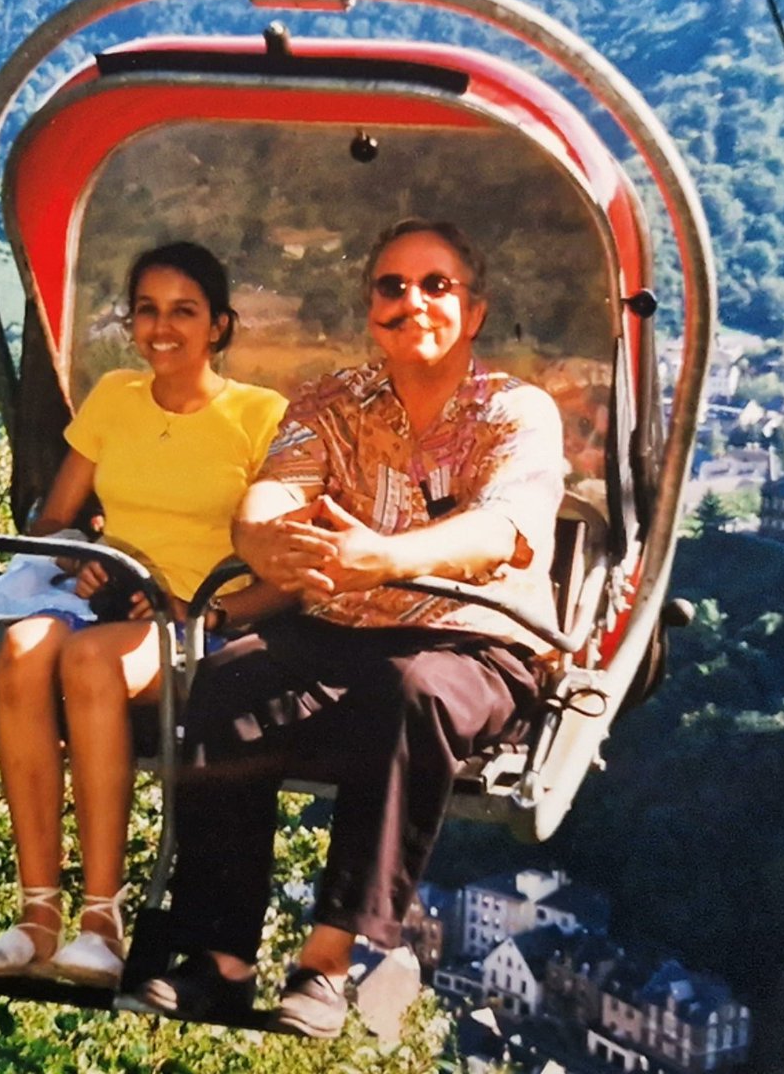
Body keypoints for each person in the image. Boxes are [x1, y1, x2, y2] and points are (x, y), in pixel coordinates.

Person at [139, 219, 566, 1036]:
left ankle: (327, 962)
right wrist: (267, 539)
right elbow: (273, 492)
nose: (413, 303)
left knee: (412, 690)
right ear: (372, 308)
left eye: (436, 285)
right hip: (344, 627)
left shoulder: (516, 411)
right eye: (392, 287)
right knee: (226, 683)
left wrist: (389, 557)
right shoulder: (333, 401)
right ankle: (217, 958)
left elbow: (500, 529)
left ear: (472, 312)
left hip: (472, 636)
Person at [0, 241, 288, 988]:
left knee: (89, 661)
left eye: (184, 312)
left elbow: (278, 556)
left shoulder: (257, 416)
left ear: (219, 326)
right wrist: (81, 554)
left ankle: (101, 920)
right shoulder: (114, 397)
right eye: (147, 310)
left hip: (185, 612)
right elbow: (50, 523)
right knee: (20, 650)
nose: (162, 328)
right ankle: (37, 912)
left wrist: (196, 602)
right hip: (109, 593)